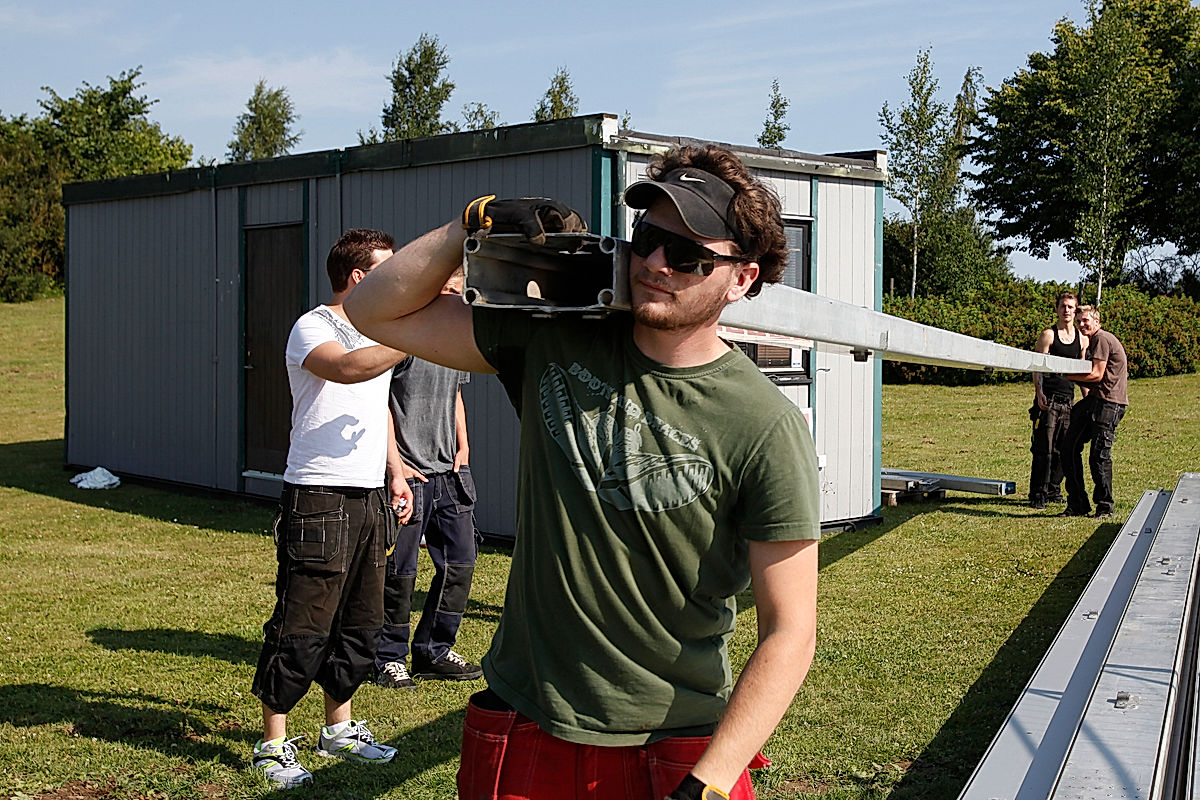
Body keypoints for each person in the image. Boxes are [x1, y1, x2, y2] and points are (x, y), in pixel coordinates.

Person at [346, 144, 821, 800]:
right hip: (528, 718)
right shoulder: (554, 337)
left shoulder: (765, 424)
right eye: (649, 239)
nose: (656, 265)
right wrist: (468, 226)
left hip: (675, 738)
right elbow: (373, 311)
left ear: (742, 278)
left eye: (688, 256)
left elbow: (791, 630)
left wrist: (710, 780)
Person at [249, 228, 414, 788]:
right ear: (359, 277)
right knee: (304, 622)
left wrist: (395, 469)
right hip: (318, 494)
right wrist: (413, 335)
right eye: (388, 271)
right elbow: (347, 370)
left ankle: (337, 728)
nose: (398, 281)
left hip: (368, 495)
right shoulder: (313, 326)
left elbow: (378, 404)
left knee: (363, 622)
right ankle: (272, 743)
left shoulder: (380, 331)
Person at [375, 268, 483, 689]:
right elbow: (378, 403)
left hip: (450, 473)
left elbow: (455, 395)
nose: (453, 298)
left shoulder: (452, 342)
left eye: (458, 291)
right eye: (446, 290)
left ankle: (434, 651)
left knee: (460, 563)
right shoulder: (401, 340)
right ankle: (388, 657)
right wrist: (395, 466)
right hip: (410, 475)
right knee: (400, 572)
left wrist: (464, 447)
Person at [1062, 305, 1128, 519]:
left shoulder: (1101, 339)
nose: (1081, 324)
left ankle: (1105, 506)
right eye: (1079, 321)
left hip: (1110, 403)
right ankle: (1077, 504)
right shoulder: (1092, 342)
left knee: (1099, 456)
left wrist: (1066, 375)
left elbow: (1097, 375)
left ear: (1097, 322)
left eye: (1085, 321)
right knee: (1068, 448)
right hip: (1095, 400)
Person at [1028, 292, 1087, 510]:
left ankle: (1054, 489)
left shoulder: (1082, 339)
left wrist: (1087, 397)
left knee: (1065, 449)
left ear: (1076, 309)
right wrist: (1039, 392)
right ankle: (1038, 494)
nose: (1067, 310)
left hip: (1068, 400)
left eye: (1071, 307)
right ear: (1057, 309)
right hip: (1048, 399)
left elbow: (1083, 372)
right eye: (1063, 306)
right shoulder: (1048, 335)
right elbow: (1037, 366)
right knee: (1044, 448)